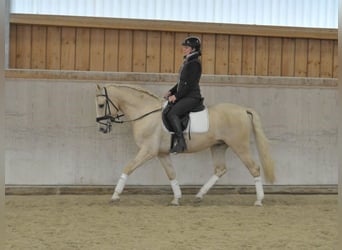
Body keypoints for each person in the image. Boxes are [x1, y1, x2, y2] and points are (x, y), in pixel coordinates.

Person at [163, 36, 203, 154]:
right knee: (167, 108)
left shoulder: (194, 63)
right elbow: (181, 83)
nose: (184, 49)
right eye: (184, 47)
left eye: (186, 47)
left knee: (173, 113)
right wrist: (171, 91)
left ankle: (181, 143)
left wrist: (177, 96)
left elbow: (189, 84)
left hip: (192, 96)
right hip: (185, 95)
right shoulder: (188, 61)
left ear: (193, 49)